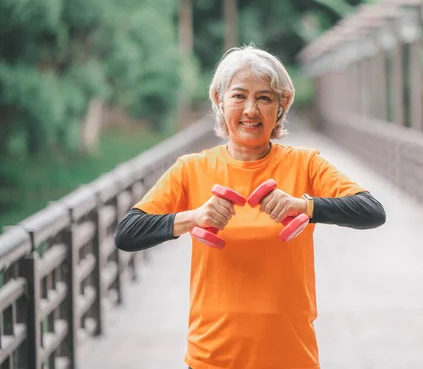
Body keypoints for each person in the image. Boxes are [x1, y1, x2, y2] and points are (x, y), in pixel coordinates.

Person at [114, 45, 386, 369]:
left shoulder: (305, 163)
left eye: (265, 98)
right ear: (219, 100)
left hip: (290, 355)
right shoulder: (191, 169)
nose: (251, 110)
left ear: (282, 105)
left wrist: (304, 206)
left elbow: (371, 210)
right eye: (239, 96)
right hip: (213, 357)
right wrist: (193, 217)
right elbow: (127, 233)